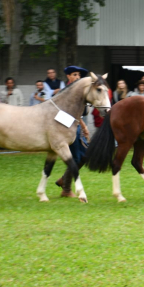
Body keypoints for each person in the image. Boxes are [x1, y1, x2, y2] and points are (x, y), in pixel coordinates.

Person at [54, 66, 91, 198]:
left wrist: (83, 125)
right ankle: (66, 189)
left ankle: (64, 179)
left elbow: (83, 112)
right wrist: (81, 125)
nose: (77, 77)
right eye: (74, 74)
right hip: (66, 128)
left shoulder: (79, 91)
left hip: (76, 126)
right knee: (75, 157)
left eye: (79, 75)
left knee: (85, 156)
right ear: (68, 77)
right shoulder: (64, 92)